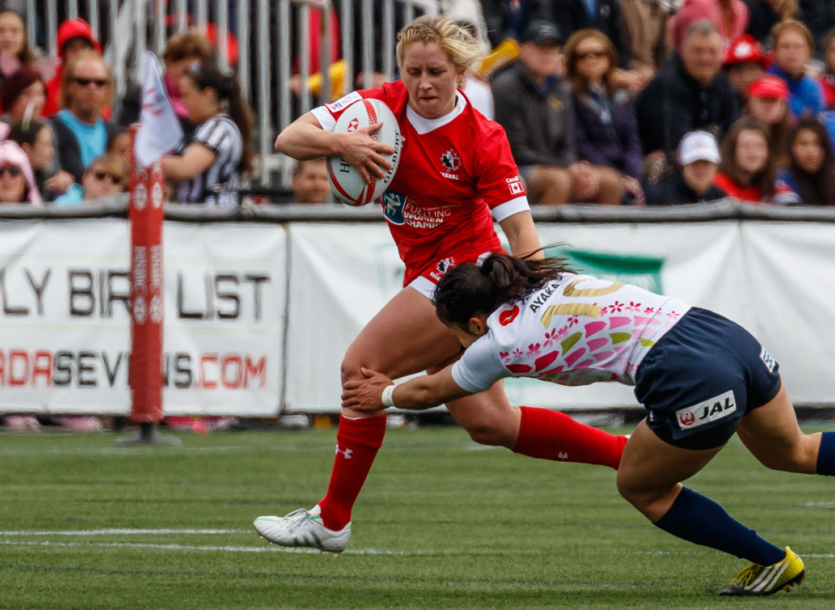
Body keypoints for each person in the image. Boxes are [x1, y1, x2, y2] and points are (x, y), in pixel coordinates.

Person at [338, 252, 835, 596]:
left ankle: (770, 561)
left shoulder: (490, 343)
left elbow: (432, 388)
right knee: (795, 448)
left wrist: (382, 392)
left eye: (452, 332)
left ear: (473, 322)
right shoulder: (551, 279)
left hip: (686, 373)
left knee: (640, 486)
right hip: (719, 332)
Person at [256, 15, 631, 553]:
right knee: (490, 423)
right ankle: (626, 452)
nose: (423, 83)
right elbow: (289, 138)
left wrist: (538, 301)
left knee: (361, 371)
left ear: (461, 72)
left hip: (467, 272)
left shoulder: (482, 137)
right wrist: (342, 144)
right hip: (427, 271)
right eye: (413, 71)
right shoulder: (378, 109)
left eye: (436, 71)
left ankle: (332, 519)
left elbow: (520, 230)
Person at [493, 21, 624, 205]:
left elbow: (568, 144)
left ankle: (601, 234)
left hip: (556, 166)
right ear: (524, 49)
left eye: (553, 48)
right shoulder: (506, 87)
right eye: (541, 47)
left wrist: (575, 167)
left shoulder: (562, 88)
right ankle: (540, 234)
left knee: (611, 180)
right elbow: (515, 150)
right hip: (518, 169)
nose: (548, 54)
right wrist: (566, 168)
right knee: (559, 180)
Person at [635, 20, 739, 163]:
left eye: (712, 51)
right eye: (698, 51)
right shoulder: (666, 84)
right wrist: (714, 131)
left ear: (722, 53)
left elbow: (734, 131)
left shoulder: (721, 80)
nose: (705, 58)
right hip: (654, 168)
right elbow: (681, 146)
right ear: (683, 51)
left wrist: (708, 134)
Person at [565, 29, 644, 205]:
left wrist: (632, 175)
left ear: (609, 59)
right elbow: (581, 142)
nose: (591, 59)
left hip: (626, 169)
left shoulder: (622, 94)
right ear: (573, 62)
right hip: (596, 169)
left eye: (598, 54)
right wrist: (618, 177)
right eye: (583, 55)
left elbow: (632, 139)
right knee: (613, 186)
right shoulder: (570, 95)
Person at [162, 61, 254, 207]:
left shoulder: (219, 128)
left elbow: (186, 167)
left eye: (186, 96)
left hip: (211, 220)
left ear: (207, 95)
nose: (183, 103)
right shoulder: (207, 127)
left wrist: (148, 161)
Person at [50, 51, 112, 182]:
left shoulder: (113, 132)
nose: (92, 88)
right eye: (83, 82)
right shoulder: (50, 129)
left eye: (100, 82)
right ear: (69, 86)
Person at [712, 116, 791, 203]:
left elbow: (794, 207)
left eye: (759, 146)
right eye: (745, 146)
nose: (752, 153)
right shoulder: (716, 186)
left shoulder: (775, 185)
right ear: (732, 150)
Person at [778, 117, 835, 206]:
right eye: (803, 144)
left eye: (817, 143)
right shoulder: (783, 182)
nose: (811, 151)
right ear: (792, 148)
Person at [646, 130, 725, 204]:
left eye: (706, 163)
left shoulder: (719, 196)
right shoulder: (667, 196)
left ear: (716, 166)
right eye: (694, 162)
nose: (700, 169)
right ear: (682, 166)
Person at [42, 18, 100, 118]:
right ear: (63, 55)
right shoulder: (47, 90)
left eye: (84, 47)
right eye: (73, 49)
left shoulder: (100, 85)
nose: (79, 53)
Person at [767, 20, 825, 118]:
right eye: (785, 46)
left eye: (798, 46)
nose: (792, 51)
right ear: (774, 52)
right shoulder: (766, 83)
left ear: (809, 53)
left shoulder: (813, 87)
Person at [162, 30, 214, 138]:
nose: (190, 77)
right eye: (185, 71)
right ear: (169, 64)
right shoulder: (144, 98)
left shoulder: (210, 99)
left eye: (196, 71)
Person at [9, 119, 71, 201]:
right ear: (26, 150)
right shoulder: (9, 185)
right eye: (46, 145)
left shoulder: (45, 181)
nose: (52, 152)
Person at [743, 75, 791, 162]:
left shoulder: (793, 136)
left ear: (783, 105)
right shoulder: (736, 133)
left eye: (774, 100)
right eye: (763, 99)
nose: (768, 105)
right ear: (749, 102)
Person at [54, 154, 127, 205]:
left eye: (116, 179)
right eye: (100, 175)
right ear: (85, 178)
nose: (108, 182)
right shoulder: (63, 206)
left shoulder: (126, 216)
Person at [722, 34, 768, 100]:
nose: (745, 76)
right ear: (727, 73)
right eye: (738, 69)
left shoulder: (775, 101)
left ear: (762, 72)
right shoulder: (716, 102)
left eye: (751, 69)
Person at [0, 137, 40, 204]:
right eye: (0, 171)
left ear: (25, 179)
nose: (6, 176)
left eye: (14, 171)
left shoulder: (41, 213)